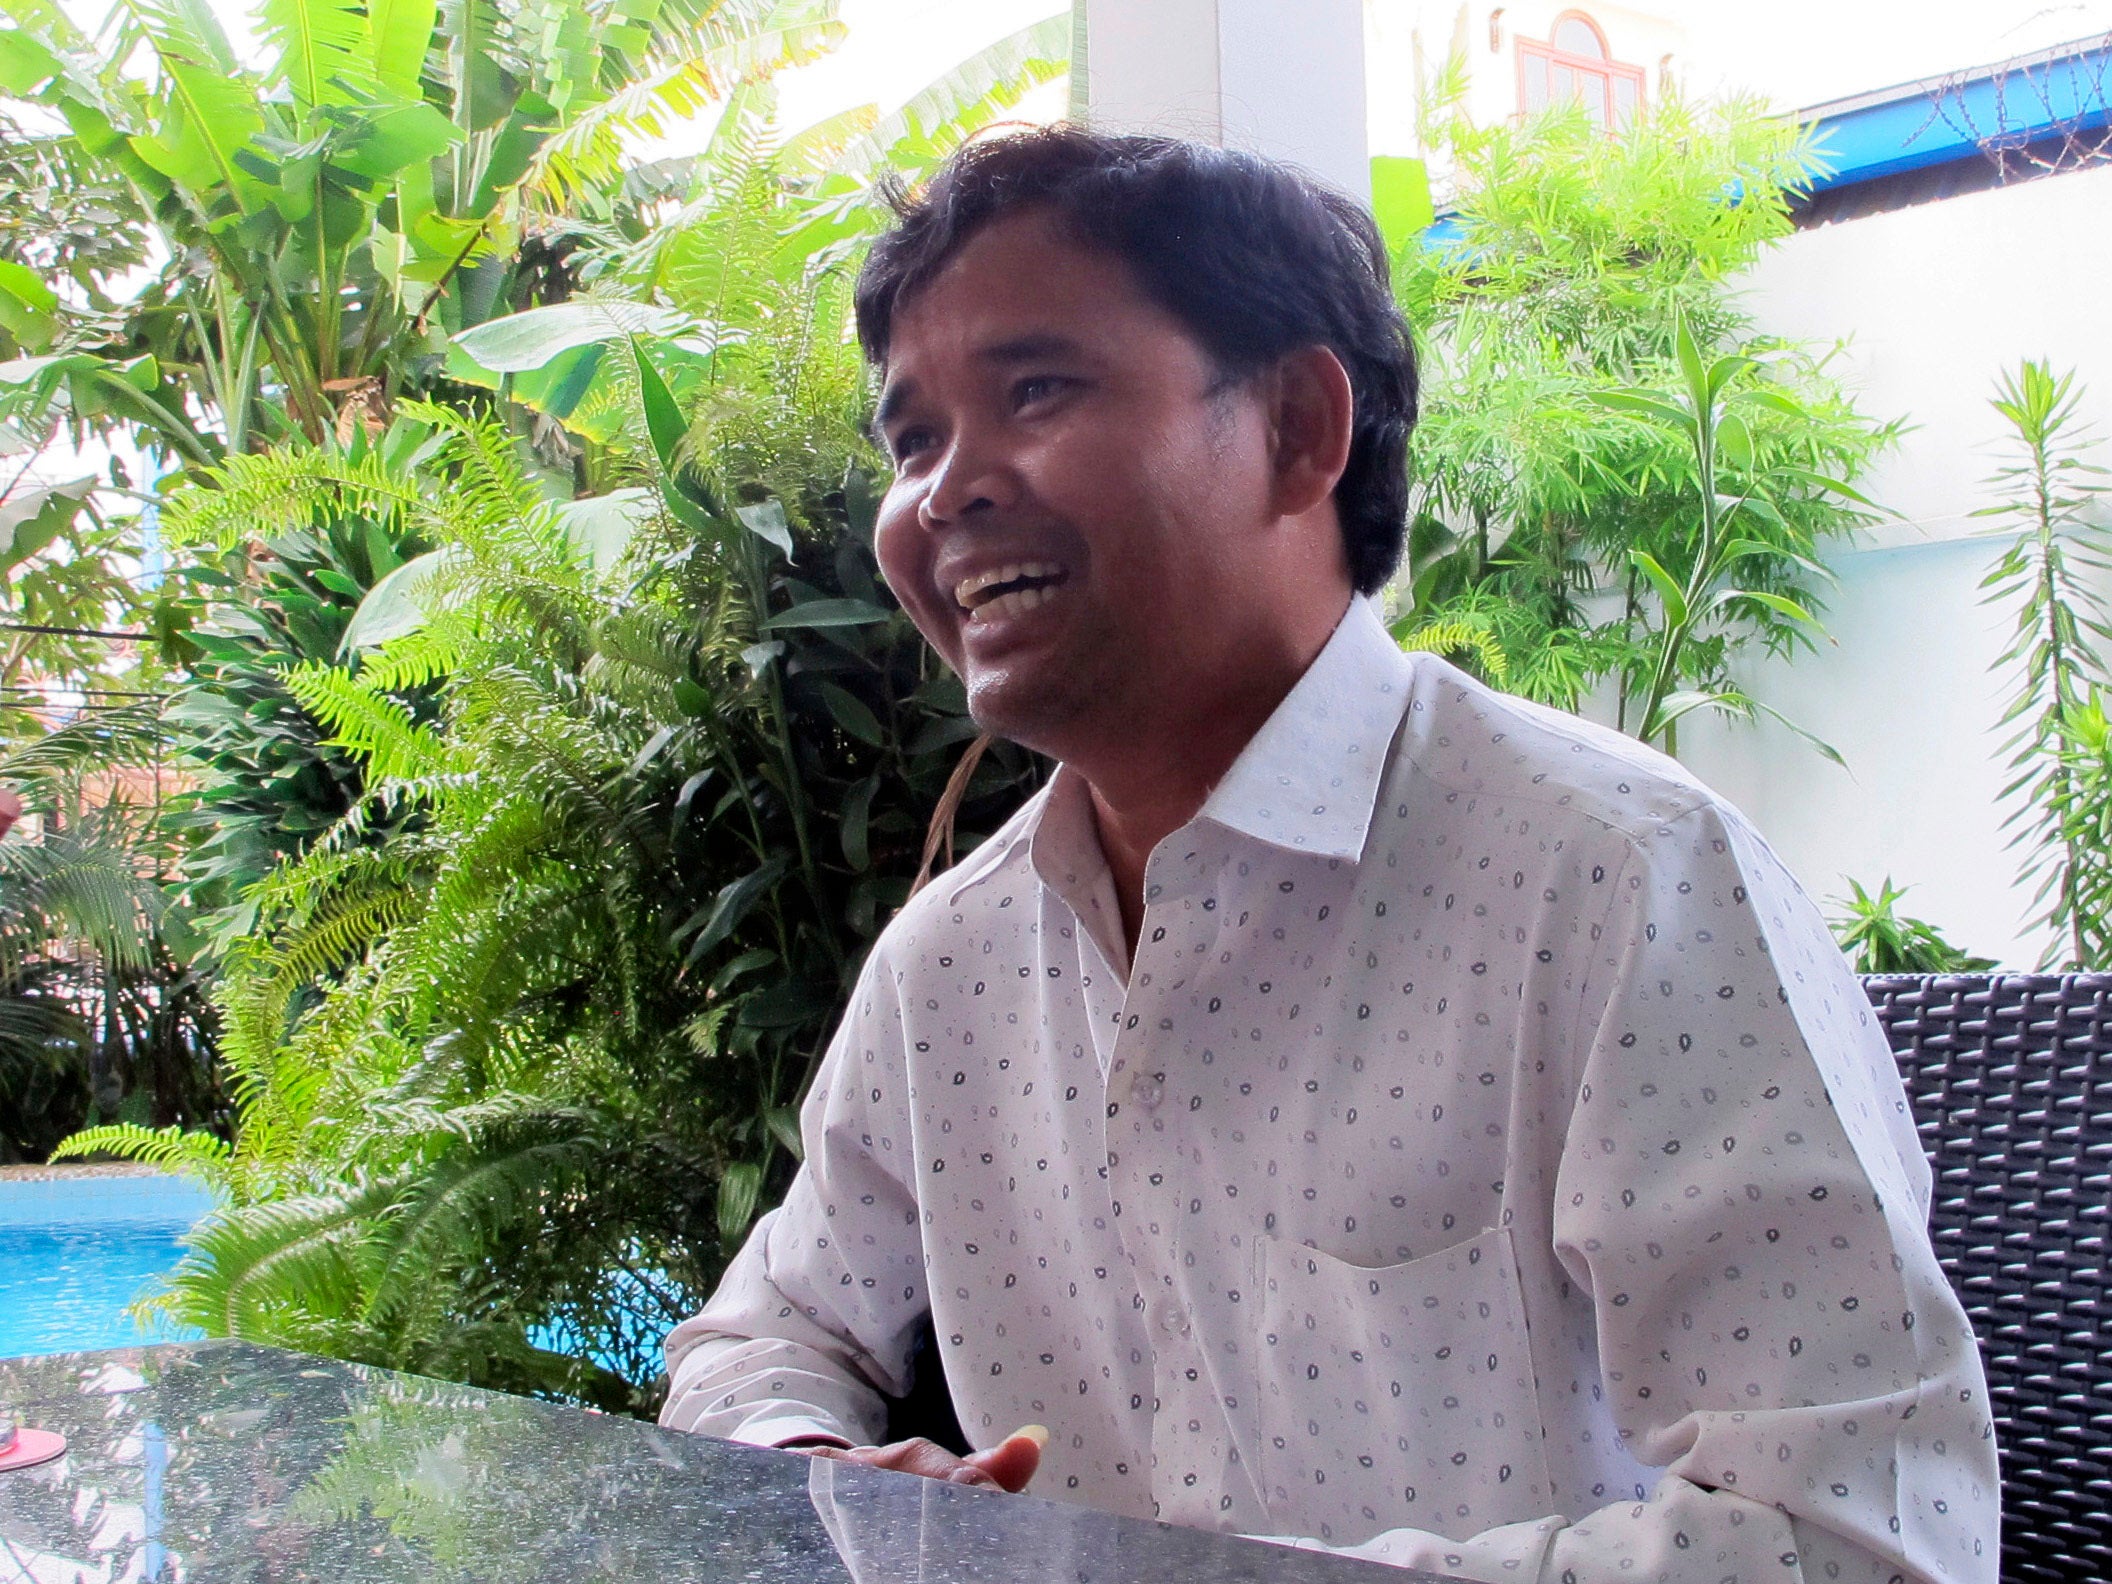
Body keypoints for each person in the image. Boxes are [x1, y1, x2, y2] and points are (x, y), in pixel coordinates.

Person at [661, 128, 1998, 1584]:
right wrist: (821, 1476)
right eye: (913, 440)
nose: (945, 492)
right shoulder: (953, 968)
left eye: (1035, 391)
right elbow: (764, 1339)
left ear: (1302, 428)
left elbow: (1860, 1538)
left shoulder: (1617, 880)